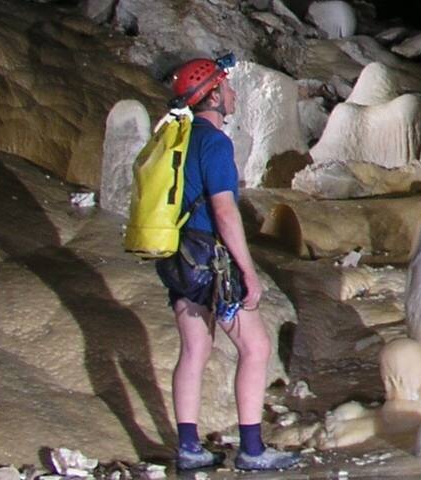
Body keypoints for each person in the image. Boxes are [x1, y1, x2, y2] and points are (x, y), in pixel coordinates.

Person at [157, 54, 301, 472]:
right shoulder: (215, 143)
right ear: (215, 96)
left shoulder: (177, 137)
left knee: (195, 349)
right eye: (227, 86)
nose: (233, 92)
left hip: (176, 257)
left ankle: (189, 447)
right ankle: (252, 450)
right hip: (209, 264)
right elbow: (224, 212)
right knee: (255, 347)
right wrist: (249, 273)